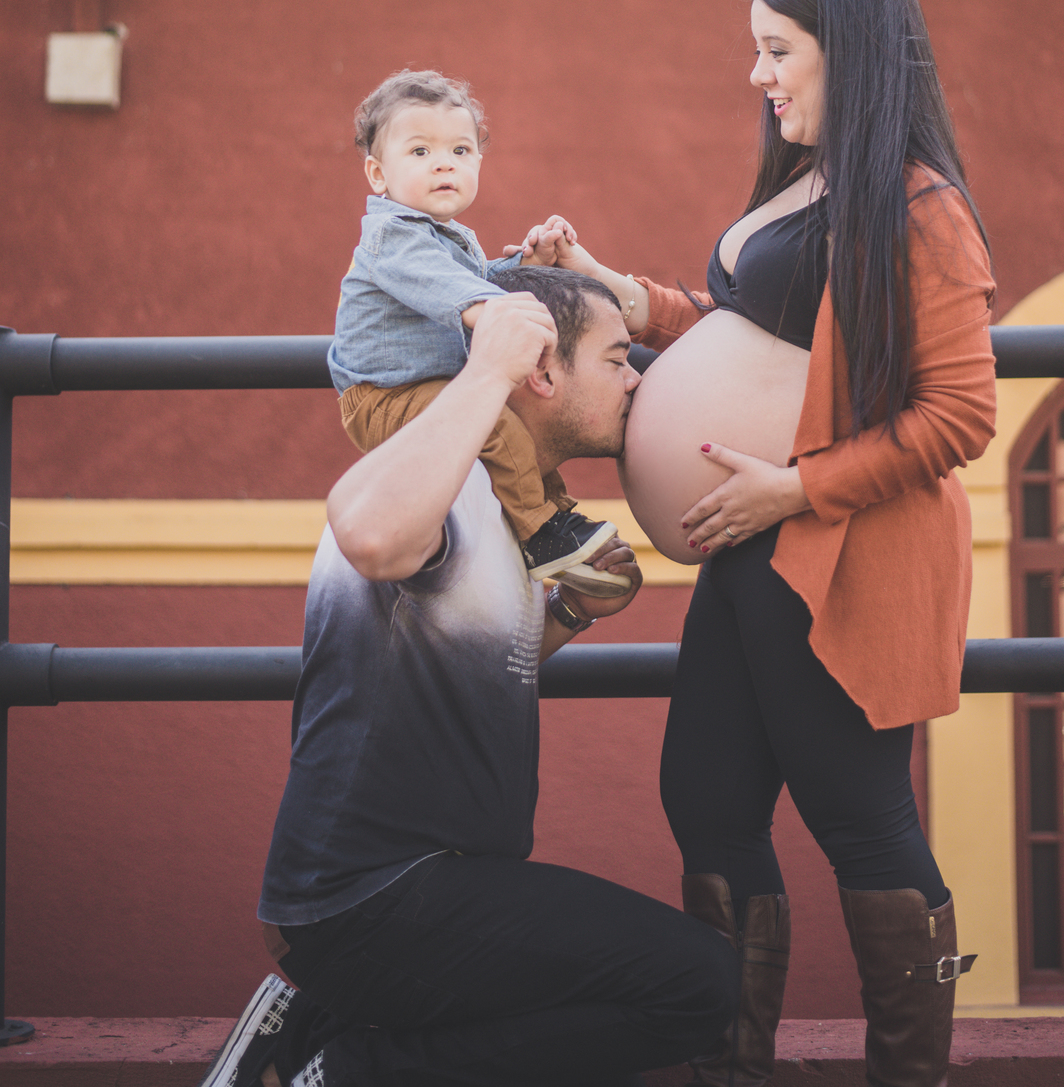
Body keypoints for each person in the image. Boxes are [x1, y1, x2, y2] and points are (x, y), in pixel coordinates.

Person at [512, 0, 998, 1087]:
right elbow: (750, 325)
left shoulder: (923, 208)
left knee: (859, 817)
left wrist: (795, 487)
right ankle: (731, 1063)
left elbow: (961, 414)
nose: (758, 75)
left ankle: (910, 1074)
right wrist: (618, 290)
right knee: (709, 798)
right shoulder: (808, 179)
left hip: (834, 552)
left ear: (852, 51)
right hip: (747, 549)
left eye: (778, 50)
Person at [202, 268, 737, 1087]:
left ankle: (301, 1027)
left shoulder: (516, 502)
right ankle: (337, 1069)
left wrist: (571, 612)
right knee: (697, 987)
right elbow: (369, 536)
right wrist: (485, 371)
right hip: (369, 897)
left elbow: (470, 666)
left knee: (617, 994)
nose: (636, 381)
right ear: (541, 371)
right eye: (617, 359)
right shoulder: (445, 485)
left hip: (427, 886)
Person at [328, 67, 626, 597]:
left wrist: (521, 265)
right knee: (497, 427)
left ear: (479, 163)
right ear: (378, 174)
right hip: (384, 395)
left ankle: (555, 516)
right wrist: (496, 308)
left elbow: (468, 281)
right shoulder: (390, 236)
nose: (444, 162)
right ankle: (542, 533)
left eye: (460, 151)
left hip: (428, 387)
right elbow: (443, 287)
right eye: (420, 151)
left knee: (511, 426)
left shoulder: (447, 237)